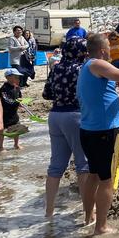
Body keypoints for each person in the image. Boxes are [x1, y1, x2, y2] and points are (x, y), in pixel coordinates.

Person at [77, 33, 119, 235]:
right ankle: (101, 227)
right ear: (103, 51)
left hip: (90, 129)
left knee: (93, 175)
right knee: (107, 179)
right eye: (109, 50)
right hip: (103, 132)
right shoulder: (97, 64)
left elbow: (106, 99)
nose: (111, 54)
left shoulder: (87, 68)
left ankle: (88, 217)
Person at [43, 38, 92, 221]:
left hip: (55, 115)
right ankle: (89, 214)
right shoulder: (83, 68)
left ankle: (49, 212)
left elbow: (46, 94)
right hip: (75, 115)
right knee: (83, 164)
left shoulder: (56, 67)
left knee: (55, 166)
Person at [0, 68, 24, 151]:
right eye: (16, 77)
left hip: (13, 112)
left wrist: (20, 102)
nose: (18, 79)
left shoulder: (17, 88)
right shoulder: (4, 89)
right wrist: (16, 102)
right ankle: (0, 147)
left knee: (17, 128)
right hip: (5, 112)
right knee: (2, 131)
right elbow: (6, 100)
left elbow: (19, 96)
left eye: (18, 77)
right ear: (8, 78)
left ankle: (16, 144)